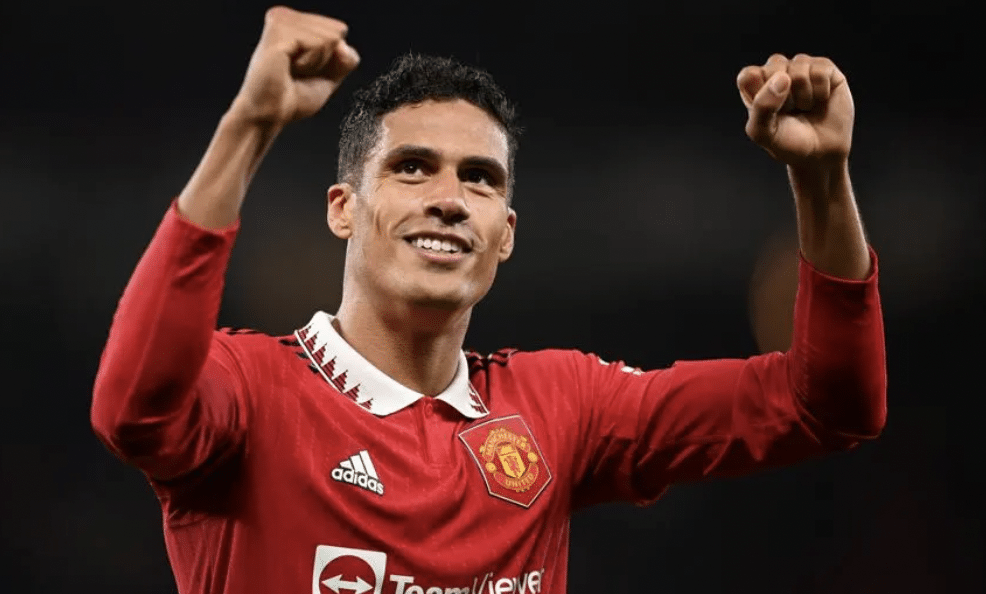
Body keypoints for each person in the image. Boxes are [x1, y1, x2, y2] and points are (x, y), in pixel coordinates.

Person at [91, 6, 886, 594]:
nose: (448, 199)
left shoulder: (561, 407)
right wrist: (250, 124)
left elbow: (827, 405)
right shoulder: (254, 391)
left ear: (504, 234)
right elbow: (131, 411)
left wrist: (822, 180)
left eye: (479, 178)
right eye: (411, 167)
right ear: (342, 209)